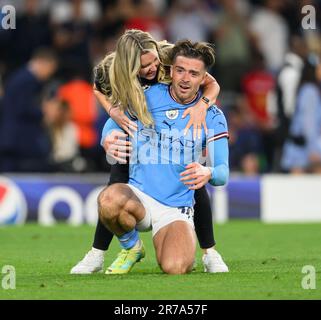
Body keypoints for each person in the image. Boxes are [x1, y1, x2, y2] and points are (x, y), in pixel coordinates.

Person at [71, 29, 227, 274]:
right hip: (136, 124)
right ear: (128, 65)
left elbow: (210, 82)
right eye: (144, 65)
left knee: (192, 179)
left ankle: (209, 251)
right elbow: (98, 90)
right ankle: (101, 253)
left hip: (171, 126)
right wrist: (110, 125)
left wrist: (203, 104)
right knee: (116, 180)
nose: (153, 67)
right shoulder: (111, 69)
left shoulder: (168, 57)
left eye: (154, 60)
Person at [0, 48, 58, 172]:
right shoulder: (27, 80)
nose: (49, 75)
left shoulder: (19, 76)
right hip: (19, 141)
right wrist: (44, 111)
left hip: (13, 139)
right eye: (50, 69)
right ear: (43, 63)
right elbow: (23, 107)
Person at [281, 55, 321, 173]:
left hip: (307, 146)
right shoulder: (309, 91)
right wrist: (313, 149)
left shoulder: (311, 90)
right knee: (298, 188)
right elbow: (308, 123)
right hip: (301, 149)